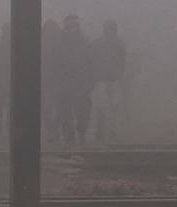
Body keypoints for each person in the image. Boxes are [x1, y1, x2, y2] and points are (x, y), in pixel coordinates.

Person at [54, 14, 94, 146]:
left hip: (81, 84)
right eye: (70, 27)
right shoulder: (59, 44)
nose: (74, 29)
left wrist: (89, 82)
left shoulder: (86, 44)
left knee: (83, 111)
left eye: (76, 26)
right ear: (65, 28)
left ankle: (81, 132)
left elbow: (91, 64)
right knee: (65, 112)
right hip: (63, 84)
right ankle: (69, 138)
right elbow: (54, 64)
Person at [91, 20, 128, 142]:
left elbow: (122, 61)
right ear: (104, 30)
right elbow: (92, 60)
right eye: (108, 28)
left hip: (114, 80)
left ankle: (114, 131)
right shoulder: (97, 44)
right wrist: (95, 75)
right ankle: (99, 131)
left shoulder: (120, 44)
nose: (110, 31)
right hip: (101, 80)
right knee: (101, 107)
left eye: (112, 29)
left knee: (115, 107)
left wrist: (120, 74)